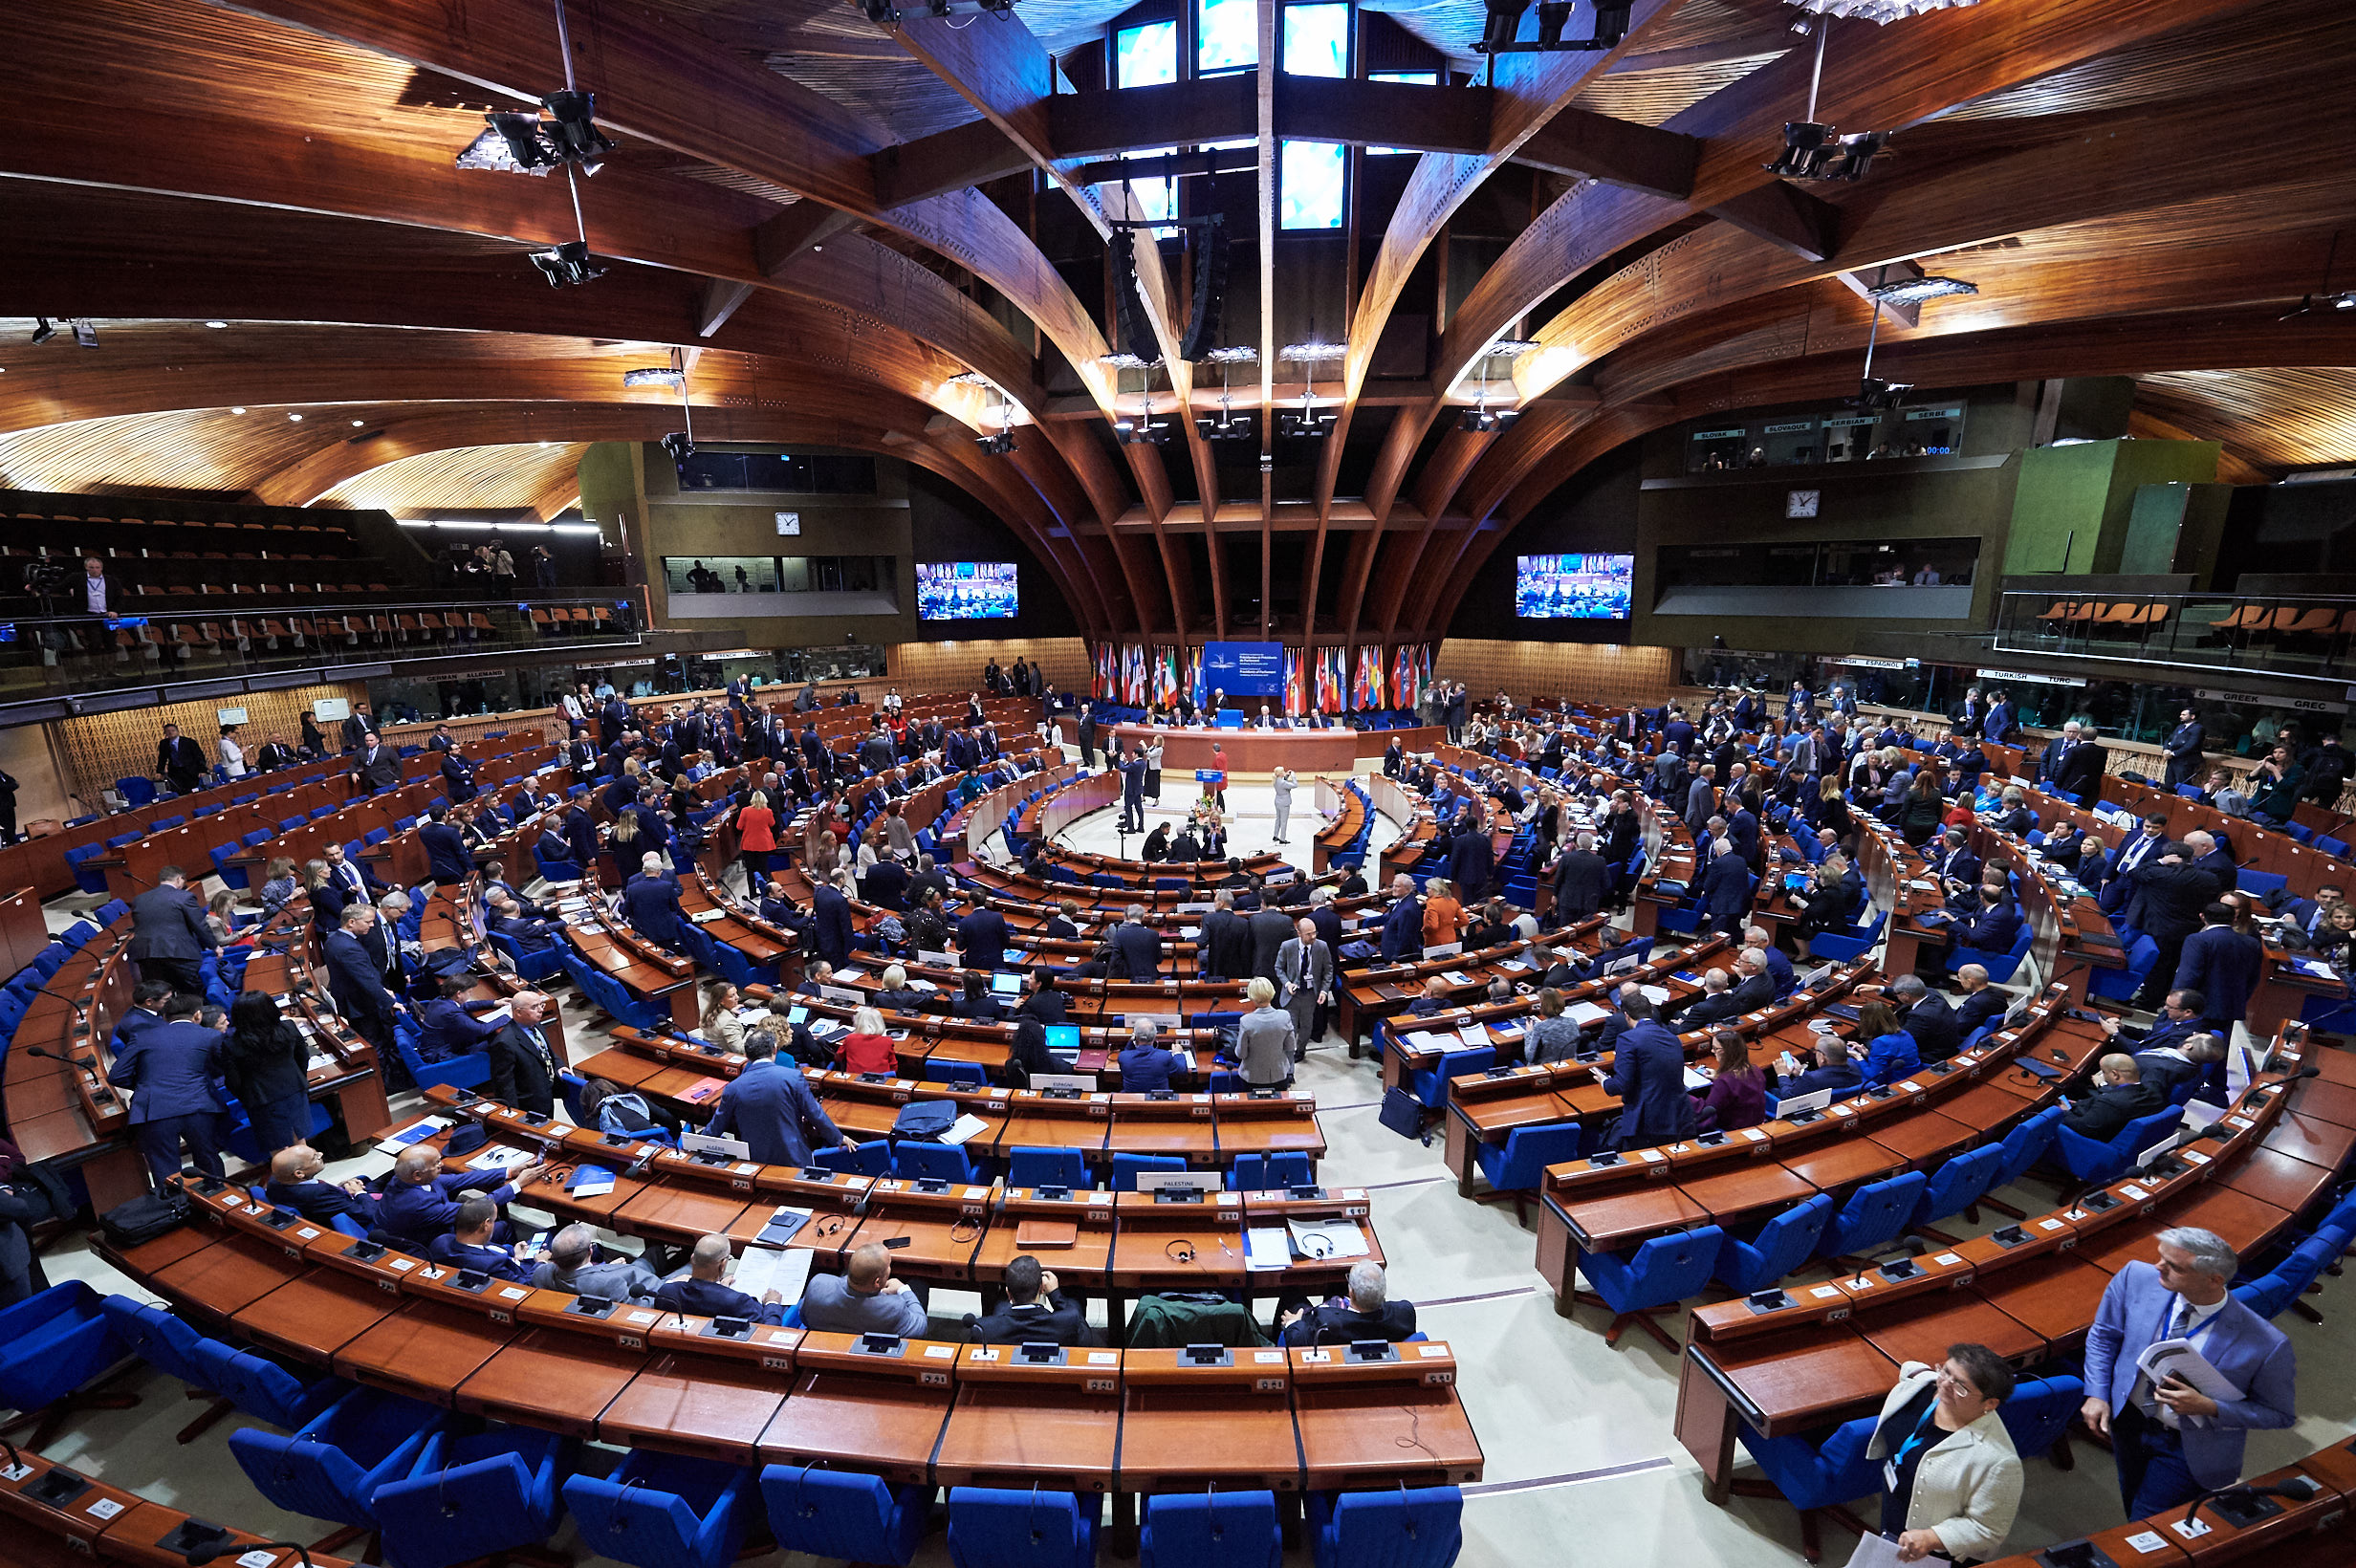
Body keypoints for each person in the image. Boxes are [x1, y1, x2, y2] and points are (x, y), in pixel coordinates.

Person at [2082, 1227, 2297, 1517]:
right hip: (2129, 1421)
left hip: (2189, 1447)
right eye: (2160, 1257)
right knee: (2130, 1497)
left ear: (2214, 1280)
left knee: (2148, 1521)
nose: (2159, 1267)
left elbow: (2279, 1414)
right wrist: (2096, 1393)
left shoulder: (2267, 1344)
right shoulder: (2136, 1277)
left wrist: (2209, 1407)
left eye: (2173, 1267)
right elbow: (2104, 1335)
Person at [1865, 1344, 2024, 1563]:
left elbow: (1989, 1528)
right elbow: (1911, 1369)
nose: (1946, 1385)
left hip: (1936, 1551)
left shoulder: (2000, 1461)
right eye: (1946, 1371)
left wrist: (1932, 1537)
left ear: (1990, 1403)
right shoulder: (1923, 1387)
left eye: (1962, 1386)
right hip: (1896, 1509)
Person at [105, 991, 228, 1188]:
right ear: (198, 1015)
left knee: (166, 1172)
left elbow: (116, 1075)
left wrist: (148, 1083)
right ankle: (218, 1205)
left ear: (164, 1017)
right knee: (209, 1162)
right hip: (199, 1108)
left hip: (154, 1111)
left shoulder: (142, 1036)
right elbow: (223, 1068)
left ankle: (175, 1210)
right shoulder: (211, 1035)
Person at [701, 1031, 860, 1163]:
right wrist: (838, 1138)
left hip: (754, 1160)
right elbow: (814, 1113)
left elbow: (717, 1125)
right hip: (793, 1157)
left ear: (746, 1056)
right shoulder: (793, 1077)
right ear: (774, 1050)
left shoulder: (732, 1088)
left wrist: (697, 1143)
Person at [379, 1142, 545, 1247]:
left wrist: (509, 1171)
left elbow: (461, 1179)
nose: (442, 1165)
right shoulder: (416, 1203)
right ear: (417, 1174)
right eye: (436, 1163)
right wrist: (518, 1184)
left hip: (434, 1227)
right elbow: (476, 1210)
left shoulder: (406, 1180)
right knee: (504, 1227)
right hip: (433, 1245)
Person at [1593, 993, 1691, 1148]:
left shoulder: (1627, 1039)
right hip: (1678, 1116)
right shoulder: (1672, 1037)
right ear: (1651, 1011)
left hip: (1646, 1122)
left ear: (1626, 1015)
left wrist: (1604, 1080)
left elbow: (1621, 1085)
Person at [222, 991, 312, 1158]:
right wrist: (298, 1079)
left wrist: (248, 1096)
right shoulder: (289, 1029)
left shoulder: (232, 1044)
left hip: (261, 1100)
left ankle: (288, 1181)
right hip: (294, 1091)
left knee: (278, 1150)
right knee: (300, 1141)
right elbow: (303, 1058)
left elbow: (233, 1081)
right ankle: (307, 1180)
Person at [653, 1232, 787, 1325]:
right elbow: (767, 1330)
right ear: (722, 1264)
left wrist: (721, 1290)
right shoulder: (738, 1302)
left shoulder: (667, 1292)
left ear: (692, 1258)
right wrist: (772, 1303)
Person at [801, 1241, 929, 1337]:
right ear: (877, 1282)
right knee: (919, 1285)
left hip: (826, 1349)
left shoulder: (818, 1285)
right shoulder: (893, 1308)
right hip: (874, 1359)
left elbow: (805, 1317)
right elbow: (920, 1326)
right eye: (889, 1266)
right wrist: (903, 1289)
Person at [2173, 902, 2263, 1035]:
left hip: (2197, 1009)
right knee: (2217, 1049)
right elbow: (2253, 978)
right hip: (2230, 1009)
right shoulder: (2252, 943)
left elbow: (2189, 976)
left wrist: (2175, 1002)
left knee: (2188, 1048)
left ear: (2202, 917)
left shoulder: (2197, 940)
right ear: (2234, 919)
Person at [1279, 1261, 1417, 1346]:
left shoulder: (1326, 1324)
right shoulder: (1405, 1313)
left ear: (1351, 1292)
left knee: (1291, 1294)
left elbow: (1299, 1341)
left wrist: (1294, 1323)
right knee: (1335, 1287)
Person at [969, 1253, 1090, 1345]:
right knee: (1074, 1302)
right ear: (1042, 1289)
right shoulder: (1069, 1321)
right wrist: (1055, 1295)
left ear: (1008, 1293)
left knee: (1000, 1306)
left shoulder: (983, 1329)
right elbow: (1087, 1341)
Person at [130, 865, 215, 994]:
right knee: (194, 993)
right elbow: (199, 925)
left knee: (160, 996)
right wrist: (214, 946)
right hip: (179, 953)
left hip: (147, 954)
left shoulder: (139, 900)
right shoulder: (184, 897)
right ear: (179, 879)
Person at [533, 1222, 662, 1303]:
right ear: (590, 1251)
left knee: (655, 1252)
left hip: (607, 1275)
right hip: (652, 1288)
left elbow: (543, 1266)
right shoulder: (611, 1283)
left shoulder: (541, 1273)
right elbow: (644, 1306)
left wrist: (606, 1269)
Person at [485, 991, 561, 1116]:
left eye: (541, 1005)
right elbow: (504, 1085)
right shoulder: (504, 1043)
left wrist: (559, 1065)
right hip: (529, 1105)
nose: (540, 1010)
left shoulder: (536, 1025)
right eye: (534, 1007)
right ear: (518, 1012)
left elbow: (546, 1053)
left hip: (547, 1095)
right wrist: (514, 1115)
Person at [263, 1143, 377, 1227]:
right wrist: (359, 1193)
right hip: (361, 1217)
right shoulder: (319, 1194)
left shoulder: (275, 1180)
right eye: (315, 1157)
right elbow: (367, 1214)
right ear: (299, 1173)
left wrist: (341, 1188)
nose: (321, 1154)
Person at [2062, 1054, 2166, 1141]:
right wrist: (2080, 1104)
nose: (2103, 1076)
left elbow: (2083, 1128)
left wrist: (2064, 1112)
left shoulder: (2111, 1102)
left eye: (2104, 1072)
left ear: (2115, 1075)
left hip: (2092, 1143)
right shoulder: (2154, 1090)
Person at [428, 1198, 536, 1282]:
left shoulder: (441, 1242)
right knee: (550, 1234)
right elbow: (526, 1285)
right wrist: (540, 1262)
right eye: (494, 1221)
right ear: (486, 1224)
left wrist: (513, 1252)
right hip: (527, 1271)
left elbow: (488, 1249)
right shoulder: (490, 1265)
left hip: (516, 1256)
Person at [1274, 916, 1332, 1057]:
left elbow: (1328, 970)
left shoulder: (1321, 946)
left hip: (1311, 994)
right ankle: (1287, 1056)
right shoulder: (1287, 946)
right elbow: (1278, 968)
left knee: (1307, 1026)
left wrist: (1324, 991)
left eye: (1314, 933)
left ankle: (1300, 1051)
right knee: (1290, 1029)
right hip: (1292, 995)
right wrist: (1287, 984)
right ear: (1298, 933)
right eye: (1309, 934)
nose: (1313, 936)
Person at [1693, 1029, 1767, 1132]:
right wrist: (1719, 1076)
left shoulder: (1724, 1081)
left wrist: (1688, 1098)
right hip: (1755, 1123)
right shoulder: (1756, 1070)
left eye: (1715, 1048)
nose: (1712, 1051)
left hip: (1733, 1130)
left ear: (1725, 1051)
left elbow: (1707, 1110)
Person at [1234, 977, 1298, 1089]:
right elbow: (1290, 1046)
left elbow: (1241, 1054)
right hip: (1279, 1075)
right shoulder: (1284, 1016)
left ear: (1252, 996)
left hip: (1252, 1077)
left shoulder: (1246, 1021)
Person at [1857, 1000, 1922, 1088]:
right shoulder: (1905, 1033)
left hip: (1896, 1084)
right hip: (1913, 1076)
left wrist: (1858, 1057)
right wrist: (1868, 1054)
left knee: (1851, 1064)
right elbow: (1890, 1059)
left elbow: (1874, 1077)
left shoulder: (1881, 1042)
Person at [1117, 1019, 1186, 1092]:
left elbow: (1127, 1052)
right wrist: (1178, 1053)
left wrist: (1132, 1040)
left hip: (1131, 1100)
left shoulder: (1123, 1057)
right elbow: (1181, 1071)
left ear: (1135, 1036)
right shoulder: (1165, 1056)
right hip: (1158, 1100)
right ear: (1154, 1036)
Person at [1952, 964, 2007, 1040]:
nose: (1960, 981)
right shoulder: (1998, 993)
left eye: (1960, 978)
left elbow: (1960, 1028)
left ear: (1969, 982)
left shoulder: (1975, 1003)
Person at [837, 1006, 898, 1076]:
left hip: (854, 1080)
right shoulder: (887, 1041)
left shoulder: (850, 1038)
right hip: (881, 1081)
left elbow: (838, 1057)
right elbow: (894, 1066)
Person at [155, 723, 208, 795]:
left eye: (173, 730)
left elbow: (199, 756)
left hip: (190, 770)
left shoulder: (189, 742)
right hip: (175, 772)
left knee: (194, 791)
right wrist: (159, 771)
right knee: (179, 792)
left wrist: (202, 770)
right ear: (165, 733)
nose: (170, 732)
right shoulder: (164, 743)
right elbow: (162, 758)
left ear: (177, 731)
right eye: (168, 731)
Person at [1271, 766, 1297, 844]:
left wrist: (1287, 776)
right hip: (1284, 803)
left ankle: (1275, 835)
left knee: (1278, 819)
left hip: (1278, 801)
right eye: (1283, 771)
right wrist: (1293, 776)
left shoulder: (1276, 780)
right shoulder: (1283, 783)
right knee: (1284, 821)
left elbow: (1282, 781)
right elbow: (1295, 785)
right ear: (1281, 774)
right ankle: (1282, 839)